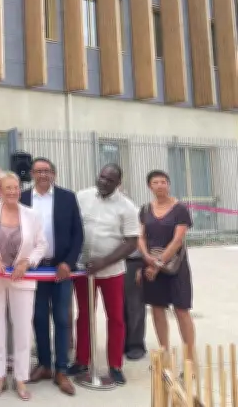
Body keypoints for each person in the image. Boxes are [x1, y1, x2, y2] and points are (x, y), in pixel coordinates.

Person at [0, 171, 47, 401]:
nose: (12, 192)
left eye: (15, 188)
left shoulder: (31, 214)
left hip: (23, 279)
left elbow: (41, 245)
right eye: (7, 188)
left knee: (22, 328)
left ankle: (20, 378)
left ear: (20, 189)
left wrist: (28, 262)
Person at [70, 163, 139, 385]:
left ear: (118, 184)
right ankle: (82, 361)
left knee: (116, 318)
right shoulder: (82, 197)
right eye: (101, 177)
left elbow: (131, 242)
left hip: (111, 271)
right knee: (85, 316)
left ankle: (115, 365)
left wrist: (104, 262)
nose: (103, 182)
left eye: (110, 180)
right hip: (84, 270)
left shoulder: (127, 207)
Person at [21, 158, 82, 396]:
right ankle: (45, 365)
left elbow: (78, 233)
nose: (43, 175)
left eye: (46, 171)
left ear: (54, 174)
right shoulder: (23, 198)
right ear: (32, 174)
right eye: (38, 171)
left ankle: (62, 369)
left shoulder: (67, 197)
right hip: (34, 269)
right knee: (38, 317)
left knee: (62, 318)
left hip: (60, 268)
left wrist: (68, 262)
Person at [137, 170, 196, 361]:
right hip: (151, 265)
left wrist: (158, 264)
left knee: (181, 310)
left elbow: (178, 240)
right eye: (156, 182)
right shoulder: (145, 209)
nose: (160, 185)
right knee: (157, 308)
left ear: (168, 185)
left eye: (164, 181)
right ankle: (164, 355)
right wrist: (146, 258)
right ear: (149, 186)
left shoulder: (180, 209)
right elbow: (141, 237)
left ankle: (190, 358)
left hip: (175, 267)